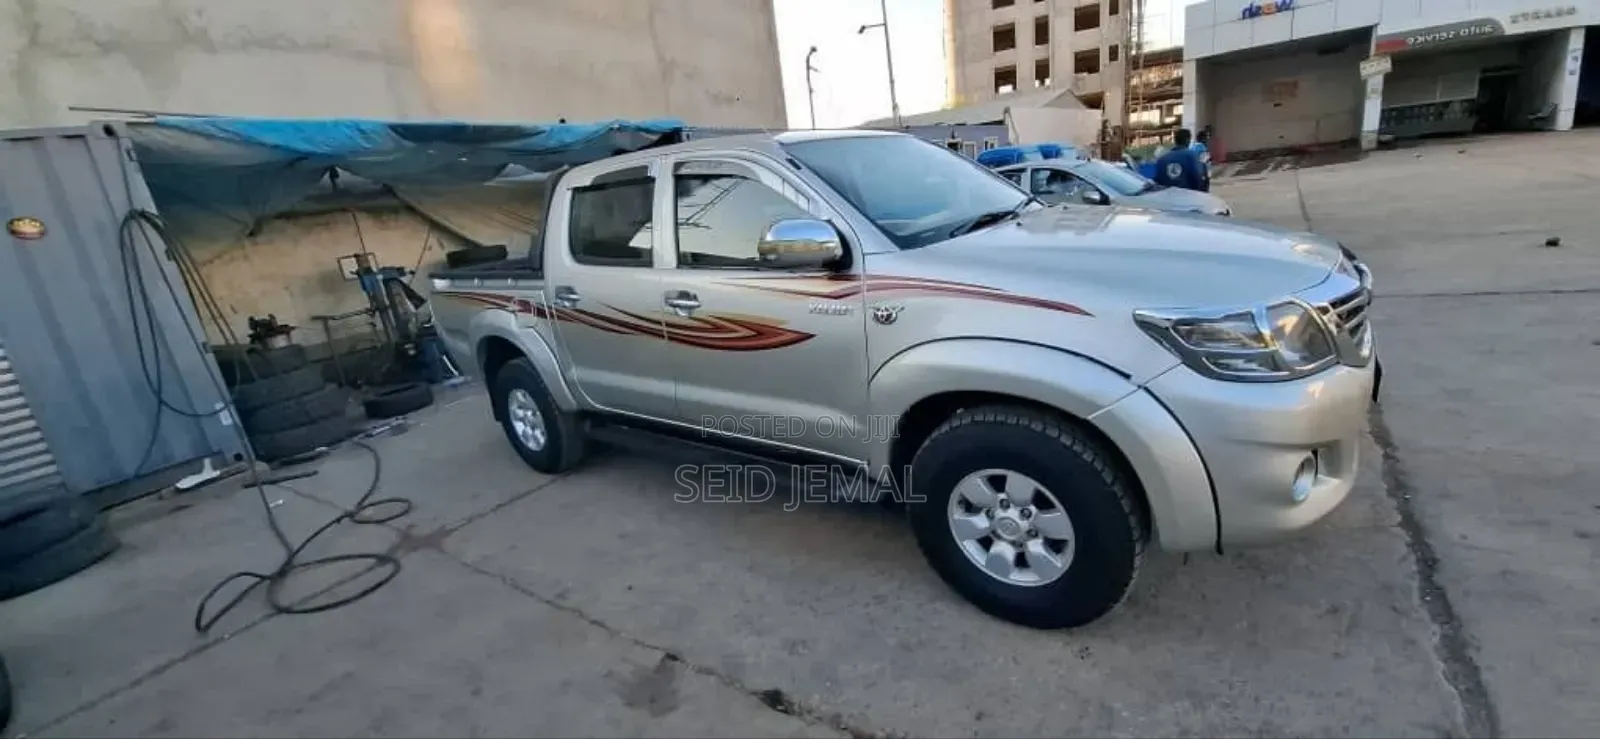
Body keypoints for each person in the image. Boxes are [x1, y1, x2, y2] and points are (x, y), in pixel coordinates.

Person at [1192, 126, 1214, 191]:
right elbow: (1204, 162)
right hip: (1202, 175)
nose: (1208, 139)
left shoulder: (1193, 146)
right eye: (1207, 137)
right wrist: (1206, 176)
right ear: (1203, 138)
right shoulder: (1202, 148)